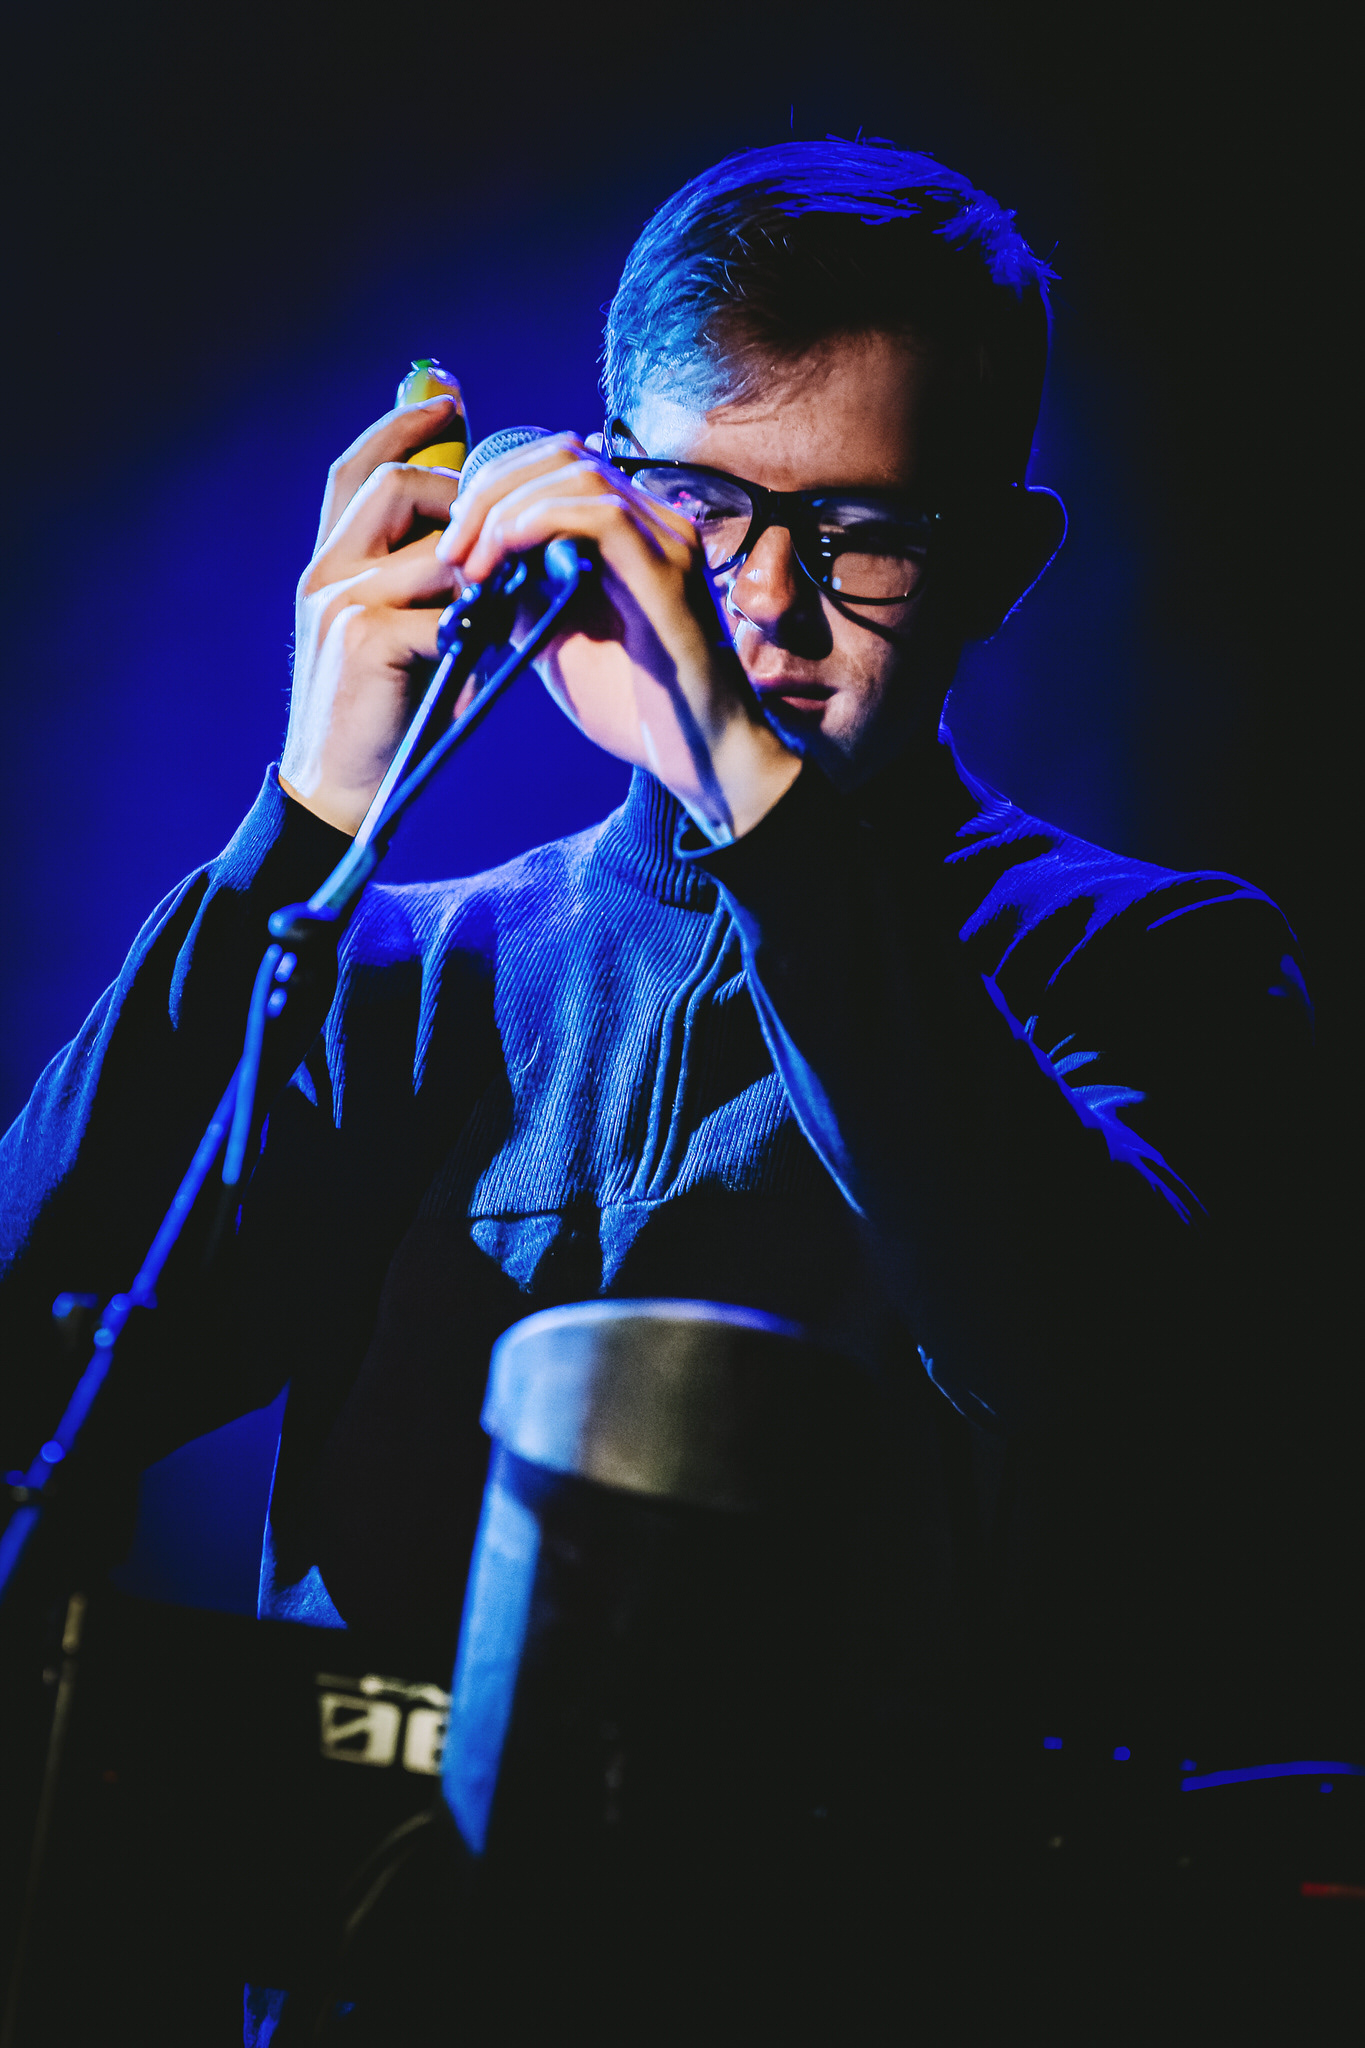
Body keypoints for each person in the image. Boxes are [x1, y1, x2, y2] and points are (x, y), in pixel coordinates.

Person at [0, 139, 1315, 2006]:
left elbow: (1068, 1359)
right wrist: (307, 809)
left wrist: (755, 805)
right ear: (610, 491)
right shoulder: (407, 962)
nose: (763, 602)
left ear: (998, 566)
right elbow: (29, 1360)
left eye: (863, 533)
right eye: (699, 507)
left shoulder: (1152, 960)